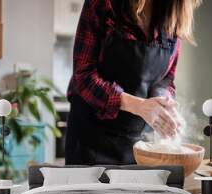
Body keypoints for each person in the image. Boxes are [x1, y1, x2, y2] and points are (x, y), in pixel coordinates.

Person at [65, 0, 202, 165]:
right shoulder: (104, 3)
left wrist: (163, 103)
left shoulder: (173, 10)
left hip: (139, 146)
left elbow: (166, 79)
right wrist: (139, 106)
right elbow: (83, 76)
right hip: (91, 141)